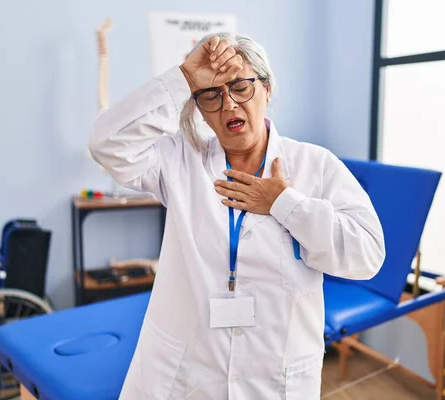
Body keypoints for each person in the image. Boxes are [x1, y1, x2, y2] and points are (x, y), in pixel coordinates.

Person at [88, 32, 385, 400]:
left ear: (268, 88)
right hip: (186, 374)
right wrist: (184, 78)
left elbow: (368, 254)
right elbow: (106, 143)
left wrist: (286, 204)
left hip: (274, 379)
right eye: (211, 95)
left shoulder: (315, 165)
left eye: (241, 87)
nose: (228, 105)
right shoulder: (181, 159)